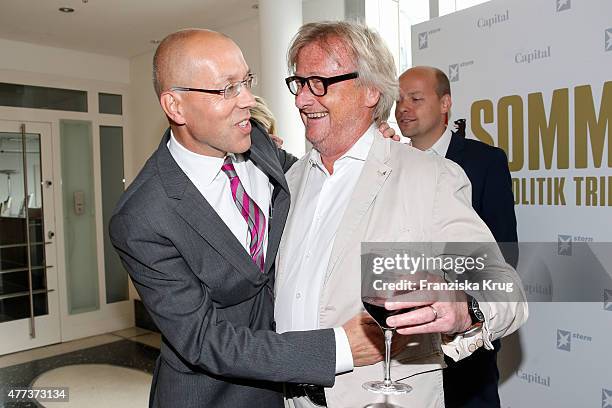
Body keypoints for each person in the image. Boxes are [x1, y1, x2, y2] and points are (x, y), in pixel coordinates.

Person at [109, 28, 388, 408]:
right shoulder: (142, 216)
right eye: (227, 89)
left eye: (246, 82)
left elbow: (312, 178)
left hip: (289, 395)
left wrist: (366, 146)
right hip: (210, 398)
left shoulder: (253, 140)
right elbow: (204, 340)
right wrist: (340, 347)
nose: (248, 100)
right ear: (175, 106)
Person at [275, 21, 528, 407]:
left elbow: (504, 287)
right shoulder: (290, 181)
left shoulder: (427, 176)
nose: (302, 101)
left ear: (370, 90)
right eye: (299, 83)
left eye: (319, 83)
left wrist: (467, 310)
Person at [395, 66, 518, 407]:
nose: (403, 108)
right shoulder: (388, 164)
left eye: (416, 99)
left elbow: (504, 253)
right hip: (403, 338)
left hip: (464, 336)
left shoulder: (484, 161)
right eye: (399, 99)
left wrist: (464, 314)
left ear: (445, 102)